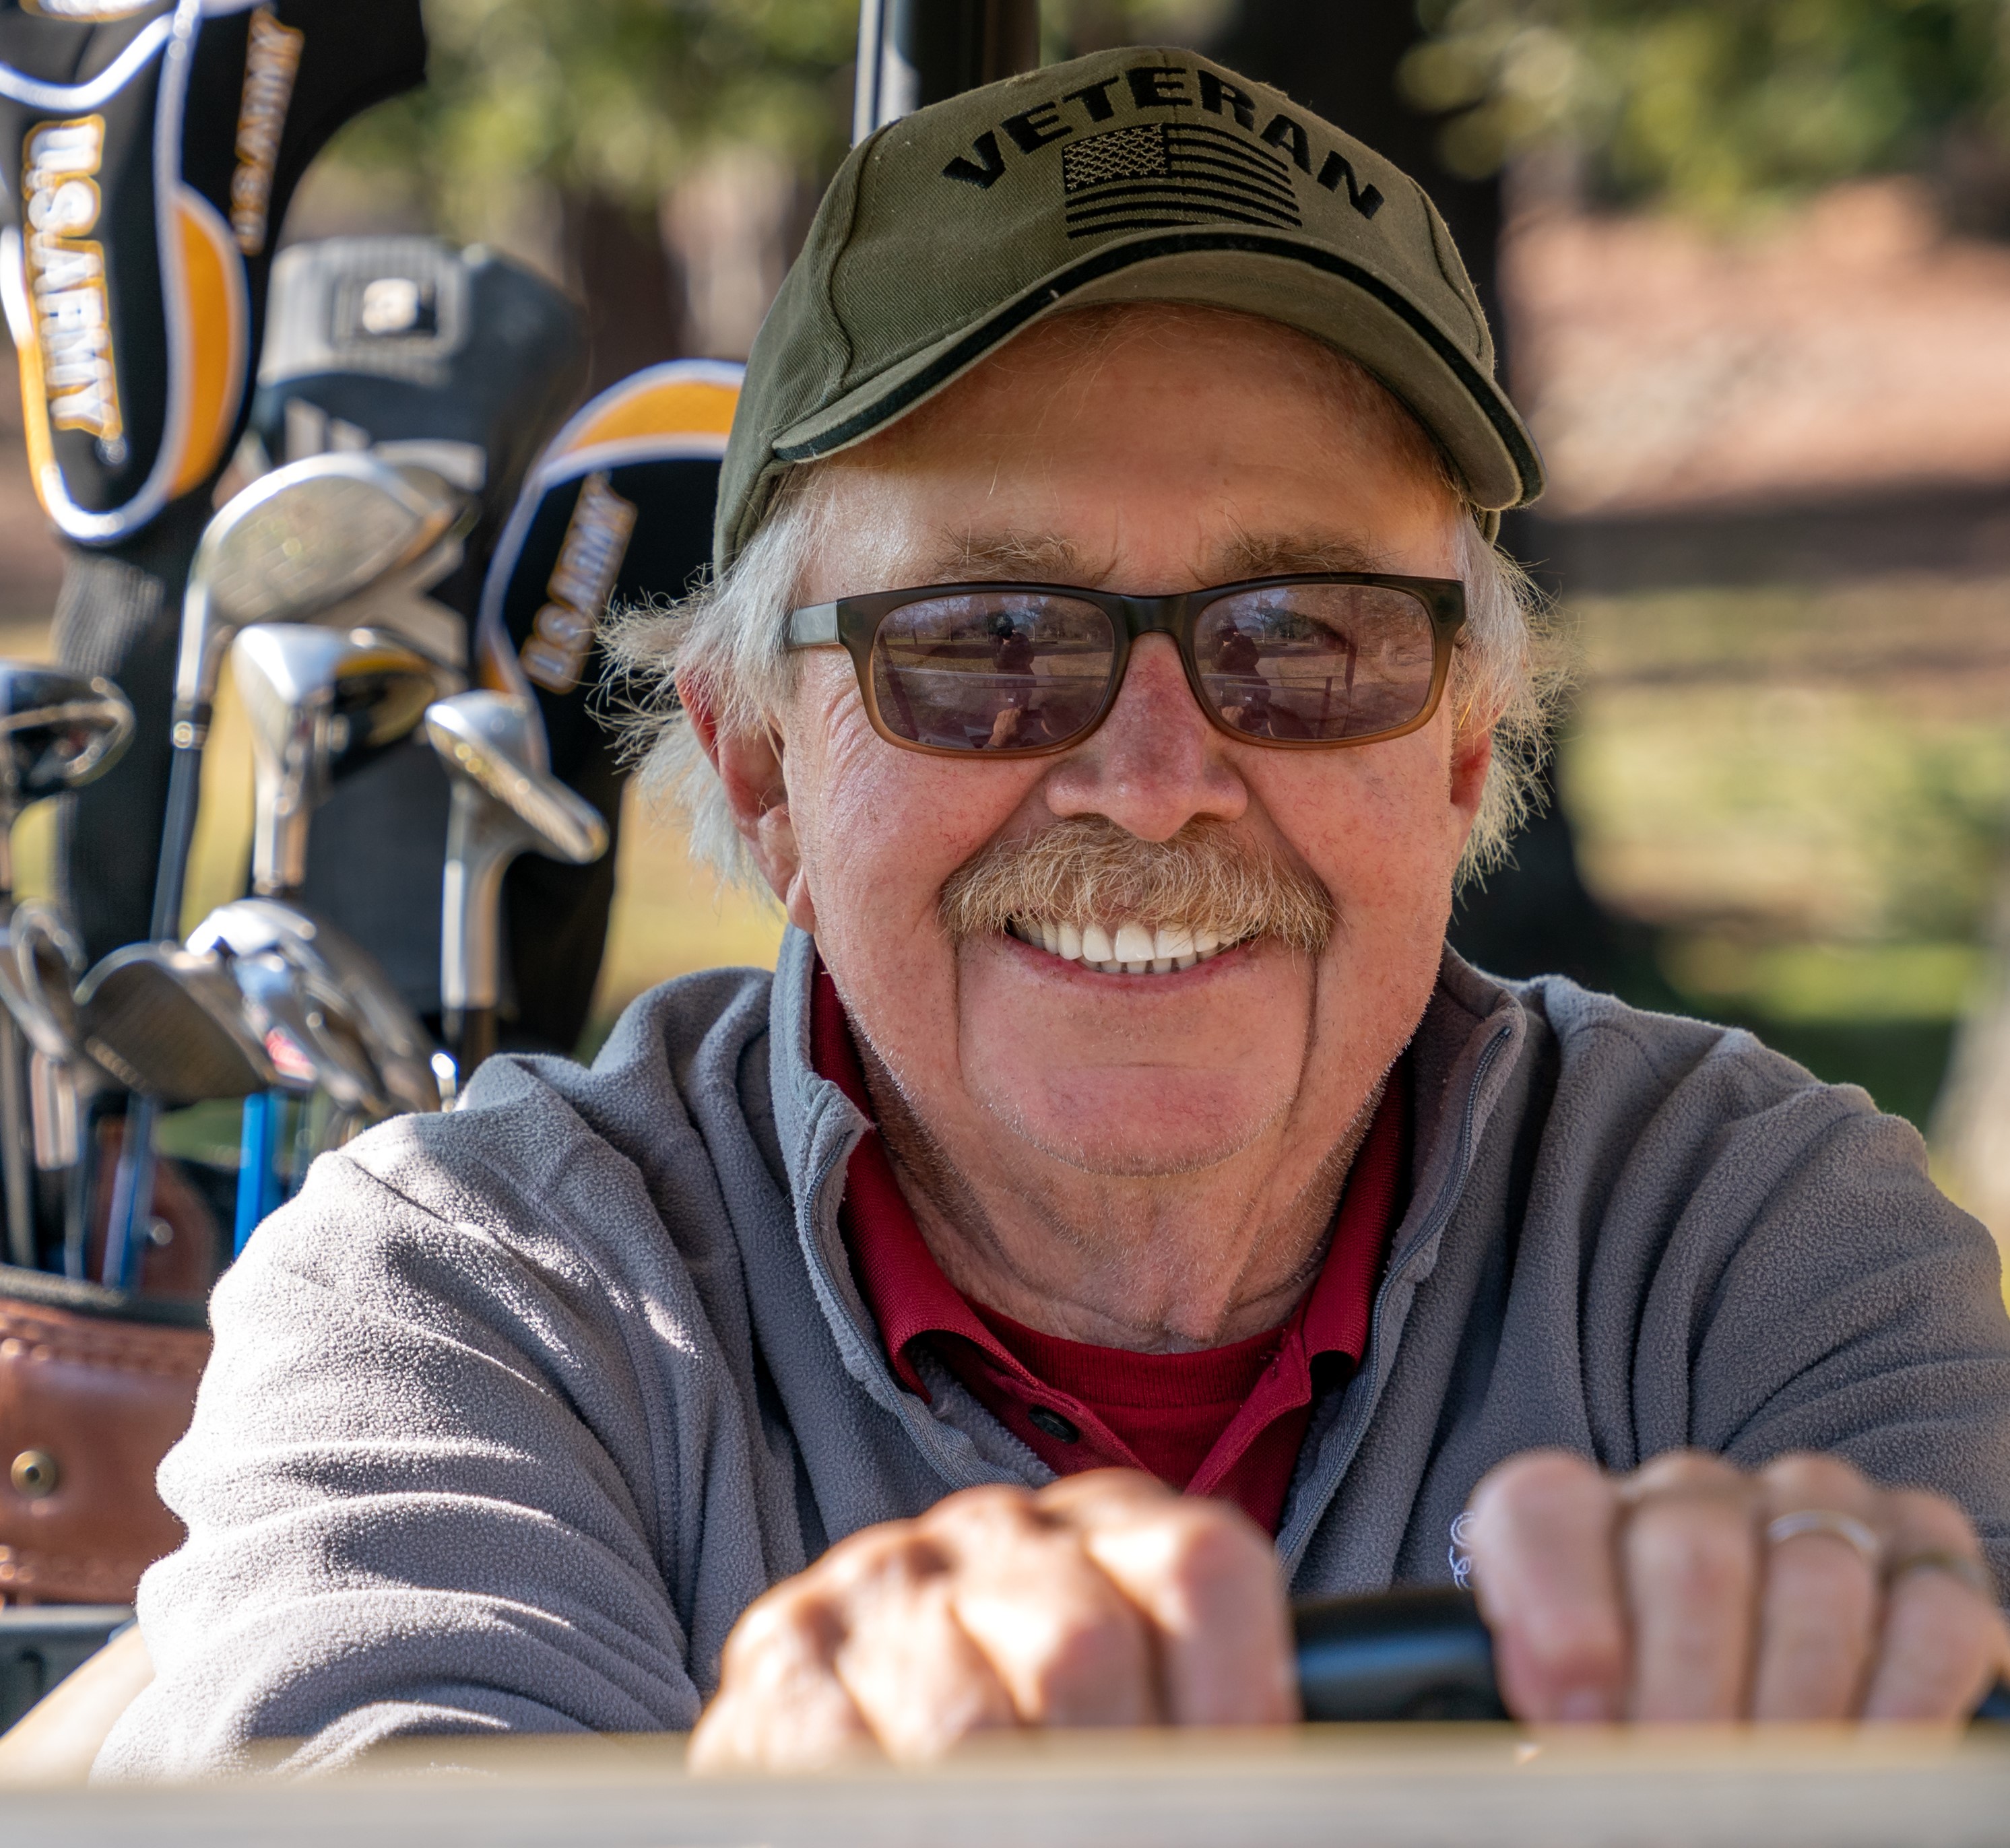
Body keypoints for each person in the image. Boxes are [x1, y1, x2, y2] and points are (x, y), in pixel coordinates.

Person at [101, 48, 2010, 1778]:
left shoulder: (1756, 1235)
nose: (1155, 778)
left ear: (1456, 752)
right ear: (761, 767)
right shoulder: (470, 1293)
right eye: (988, 644)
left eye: (1304, 638)